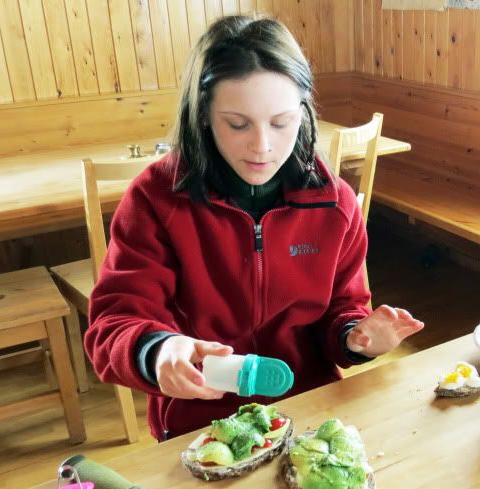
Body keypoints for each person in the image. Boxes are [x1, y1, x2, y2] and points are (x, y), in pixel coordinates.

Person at [84, 15, 424, 441]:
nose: (262, 146)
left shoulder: (334, 204)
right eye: (238, 124)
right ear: (203, 115)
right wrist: (159, 351)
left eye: (281, 123)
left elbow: (344, 307)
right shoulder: (155, 200)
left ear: (303, 113)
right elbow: (112, 325)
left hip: (308, 411)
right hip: (201, 425)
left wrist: (355, 337)